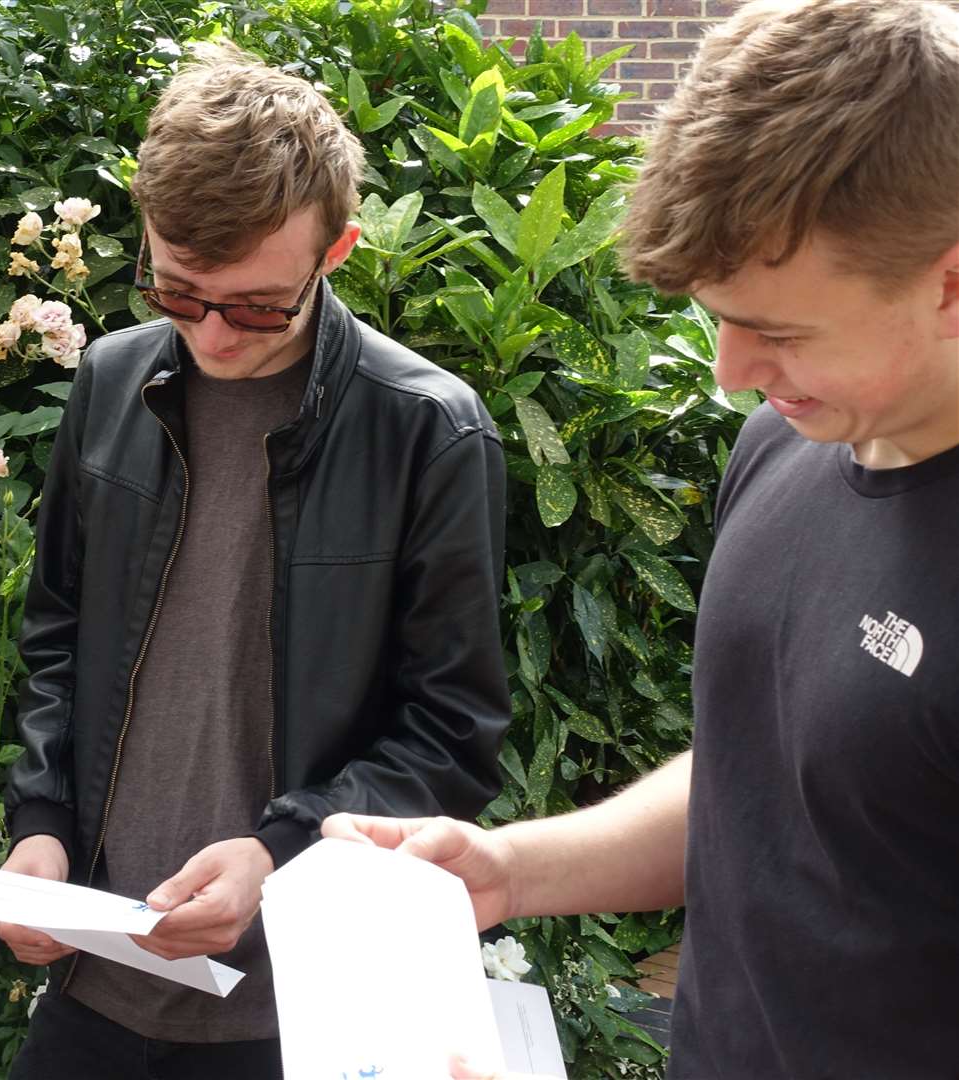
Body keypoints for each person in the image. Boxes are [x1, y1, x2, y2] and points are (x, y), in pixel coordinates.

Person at [324, 2, 959, 1077]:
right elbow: (778, 774)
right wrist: (511, 869)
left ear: (949, 282)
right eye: (720, 316)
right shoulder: (786, 444)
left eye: (780, 331)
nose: (729, 371)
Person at [0, 42, 513, 1077]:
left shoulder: (428, 431)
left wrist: (279, 856)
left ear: (339, 251)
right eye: (179, 293)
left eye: (256, 304)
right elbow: (55, 632)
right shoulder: (110, 379)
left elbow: (451, 735)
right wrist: (40, 822)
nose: (214, 336)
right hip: (94, 973)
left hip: (301, 1008)